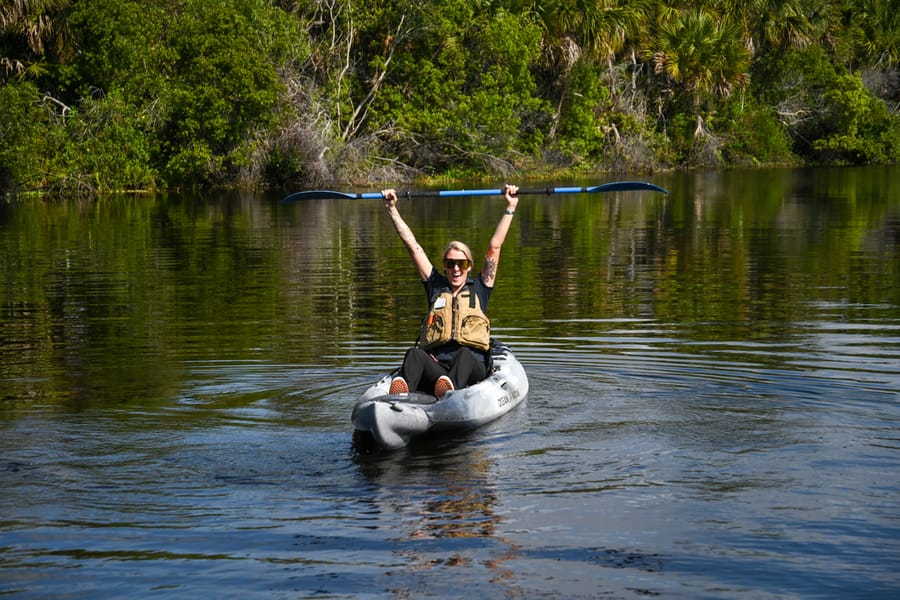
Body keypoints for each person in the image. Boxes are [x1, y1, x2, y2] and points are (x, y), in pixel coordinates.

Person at [381, 184, 519, 398]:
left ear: (469, 266)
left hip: (470, 367)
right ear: (444, 265)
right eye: (451, 263)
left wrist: (510, 207)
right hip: (438, 370)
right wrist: (391, 209)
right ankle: (400, 397)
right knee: (414, 355)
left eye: (461, 264)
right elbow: (412, 245)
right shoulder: (436, 286)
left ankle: (449, 391)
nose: (456, 269)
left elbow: (495, 247)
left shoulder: (481, 288)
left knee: (464, 355)